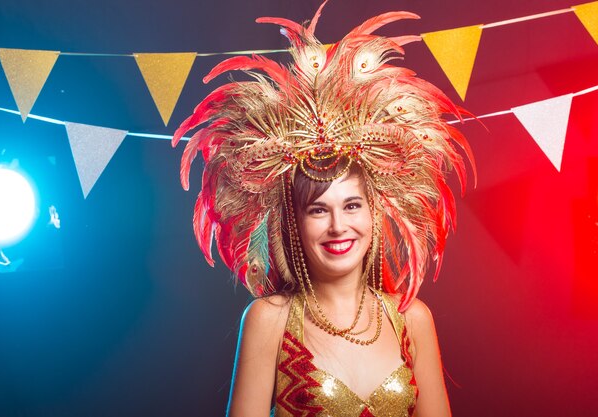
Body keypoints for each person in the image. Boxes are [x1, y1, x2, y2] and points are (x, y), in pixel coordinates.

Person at [173, 2, 475, 416]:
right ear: (294, 224)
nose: (339, 226)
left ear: (375, 212)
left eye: (352, 205)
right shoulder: (268, 320)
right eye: (318, 210)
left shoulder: (412, 319)